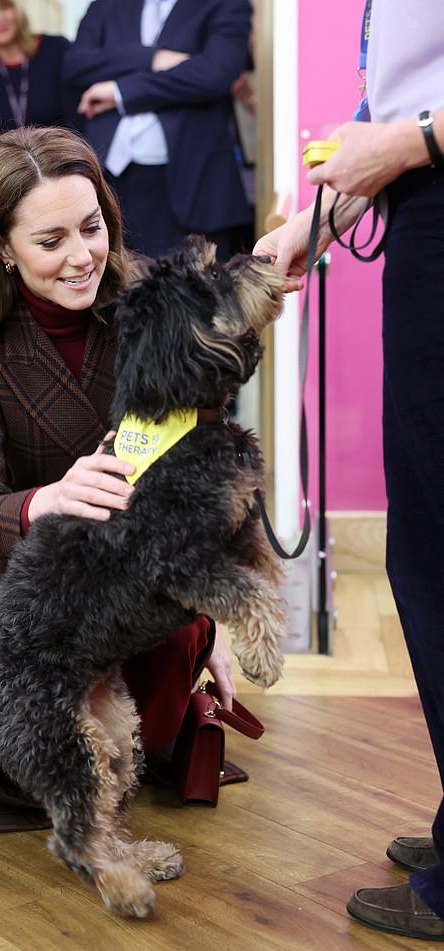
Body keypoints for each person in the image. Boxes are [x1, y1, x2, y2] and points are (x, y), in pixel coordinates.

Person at [0, 124, 237, 830]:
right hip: (11, 563)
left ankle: (187, 672)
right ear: (2, 248)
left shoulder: (150, 297)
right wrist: (48, 500)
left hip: (135, 557)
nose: (82, 255)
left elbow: (208, 465)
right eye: (50, 241)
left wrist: (218, 618)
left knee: (146, 740)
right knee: (32, 763)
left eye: (91, 228)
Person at [253, 2, 444, 940]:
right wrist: (311, 229)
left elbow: (408, 122)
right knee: (425, 551)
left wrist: (410, 143)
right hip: (418, 208)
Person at [62, 0, 254, 260]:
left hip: (193, 180)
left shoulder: (226, 4)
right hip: (110, 179)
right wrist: (153, 58)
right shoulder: (106, 5)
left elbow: (215, 74)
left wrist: (121, 91)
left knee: (196, 293)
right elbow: (76, 65)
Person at [0, 0, 79, 151]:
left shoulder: (58, 49)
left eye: (4, 7)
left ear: (18, 9)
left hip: (64, 160)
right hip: (10, 170)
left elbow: (77, 125)